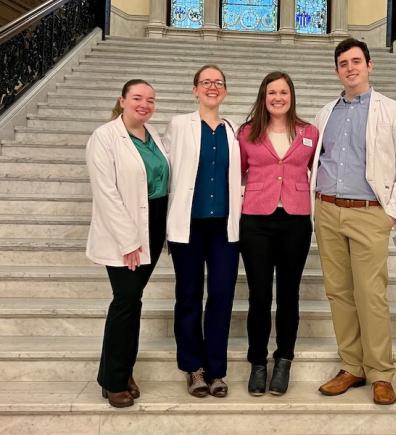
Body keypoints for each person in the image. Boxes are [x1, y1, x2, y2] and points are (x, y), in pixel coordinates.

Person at [310, 38, 396, 405]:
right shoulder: (326, 112)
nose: (350, 68)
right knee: (339, 292)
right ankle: (351, 366)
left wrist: (391, 214)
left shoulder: (391, 110)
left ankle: (381, 374)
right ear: (337, 70)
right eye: (343, 63)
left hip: (369, 211)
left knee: (370, 294)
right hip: (327, 210)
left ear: (370, 66)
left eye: (356, 61)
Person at [86, 79, 169, 408]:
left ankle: (122, 369)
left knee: (132, 302)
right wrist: (128, 240)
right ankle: (112, 380)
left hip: (153, 226)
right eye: (137, 98)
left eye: (150, 99)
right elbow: (106, 193)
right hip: (125, 234)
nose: (144, 104)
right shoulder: (104, 137)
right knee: (125, 301)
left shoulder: (154, 137)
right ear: (122, 101)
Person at [238, 71, 319, 396]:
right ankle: (258, 362)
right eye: (272, 93)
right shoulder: (247, 132)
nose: (278, 98)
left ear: (291, 96)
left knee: (289, 294)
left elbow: (317, 169)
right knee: (259, 295)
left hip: (296, 221)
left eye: (283, 92)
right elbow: (239, 171)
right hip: (256, 220)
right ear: (264, 96)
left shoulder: (309, 132)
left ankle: (283, 359)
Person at [164, 64, 242, 398]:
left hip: (224, 228)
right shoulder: (179, 125)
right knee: (189, 296)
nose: (212, 87)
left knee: (222, 297)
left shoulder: (233, 129)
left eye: (218, 82)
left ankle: (216, 370)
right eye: (206, 82)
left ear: (225, 90)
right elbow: (165, 170)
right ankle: (194, 369)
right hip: (189, 227)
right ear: (194, 89)